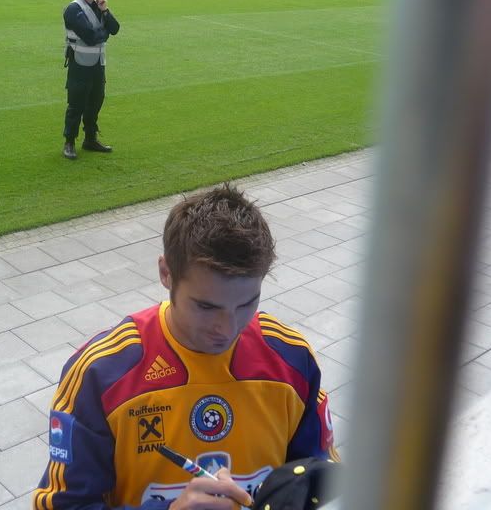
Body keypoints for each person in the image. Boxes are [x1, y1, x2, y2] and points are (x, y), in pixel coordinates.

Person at [33, 184, 339, 510]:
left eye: (247, 303)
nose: (228, 328)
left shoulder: (291, 358)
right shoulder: (102, 371)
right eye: (206, 307)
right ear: (166, 273)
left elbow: (322, 477)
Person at [62, 0, 119, 159]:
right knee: (76, 104)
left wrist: (105, 11)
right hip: (79, 64)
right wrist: (104, 33)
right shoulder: (73, 9)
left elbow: (115, 28)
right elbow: (91, 37)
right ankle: (69, 142)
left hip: (97, 64)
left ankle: (90, 138)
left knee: (95, 102)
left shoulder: (98, 6)